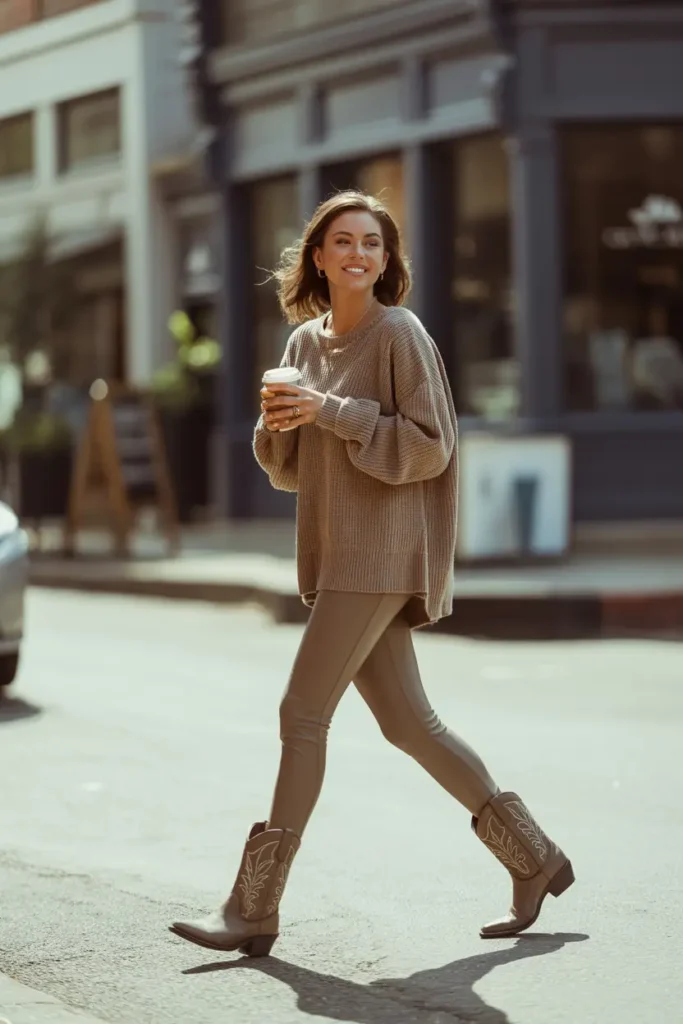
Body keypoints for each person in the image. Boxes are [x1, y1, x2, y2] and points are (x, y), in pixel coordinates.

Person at [170, 191, 574, 956]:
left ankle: (253, 909)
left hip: (383, 549)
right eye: (343, 242)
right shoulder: (300, 344)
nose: (358, 255)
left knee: (301, 714)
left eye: (373, 245)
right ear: (316, 256)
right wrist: (277, 422)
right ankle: (535, 858)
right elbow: (289, 472)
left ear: (387, 263)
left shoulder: (399, 333)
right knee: (407, 724)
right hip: (334, 548)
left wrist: (331, 411)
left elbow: (431, 446)